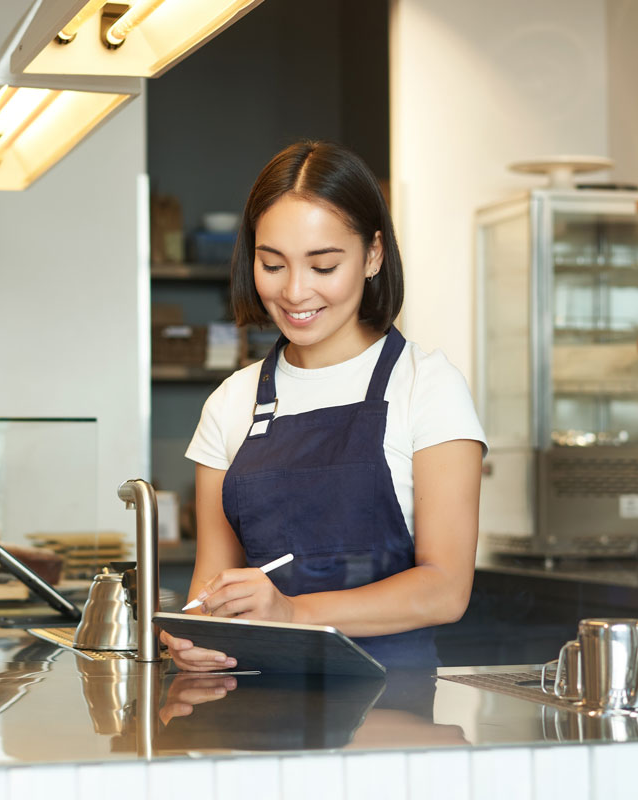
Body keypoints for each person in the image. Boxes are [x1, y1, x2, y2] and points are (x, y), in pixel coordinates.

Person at [161, 141, 487, 670]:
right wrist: (197, 639)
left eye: (323, 265)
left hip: (387, 721)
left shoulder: (427, 387)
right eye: (272, 264)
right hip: (255, 723)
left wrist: (289, 612)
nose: (294, 291)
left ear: (373, 255)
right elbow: (210, 591)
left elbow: (444, 589)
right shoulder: (231, 402)